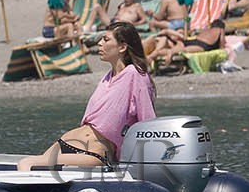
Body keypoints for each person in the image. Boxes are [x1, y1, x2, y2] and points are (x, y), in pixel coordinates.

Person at [18, 22, 156, 171]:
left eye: (106, 39)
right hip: (68, 142)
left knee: (27, 164)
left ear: (122, 47)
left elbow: (148, 123)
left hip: (94, 153)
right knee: (33, 169)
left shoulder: (136, 75)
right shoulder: (107, 77)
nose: (99, 43)